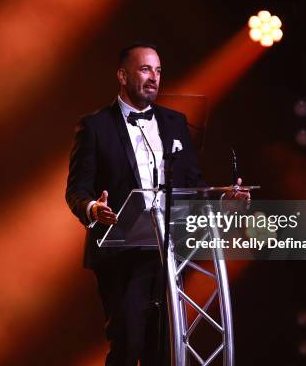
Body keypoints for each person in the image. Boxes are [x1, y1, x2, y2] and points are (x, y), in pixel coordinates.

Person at [66, 42, 248, 365]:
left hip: (168, 253)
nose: (154, 78)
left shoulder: (174, 123)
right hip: (120, 253)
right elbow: (77, 190)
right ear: (122, 75)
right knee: (127, 345)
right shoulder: (95, 126)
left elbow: (193, 184)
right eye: (145, 69)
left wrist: (224, 198)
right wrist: (95, 208)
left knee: (161, 349)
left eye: (159, 71)